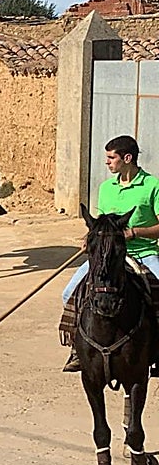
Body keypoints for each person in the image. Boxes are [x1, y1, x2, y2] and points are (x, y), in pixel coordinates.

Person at [60, 134, 159, 371]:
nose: (107, 162)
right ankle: (78, 349)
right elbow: (99, 225)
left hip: (143, 252)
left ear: (127, 158)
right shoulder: (106, 188)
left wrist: (135, 232)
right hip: (107, 256)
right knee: (68, 293)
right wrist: (90, 239)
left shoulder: (152, 185)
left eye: (111, 157)